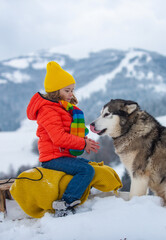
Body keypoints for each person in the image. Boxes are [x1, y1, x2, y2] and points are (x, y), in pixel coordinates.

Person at [26, 61, 100, 217]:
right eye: (67, 90)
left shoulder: (62, 107)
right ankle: (65, 204)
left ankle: (87, 197)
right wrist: (82, 143)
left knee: (91, 166)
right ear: (54, 91)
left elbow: (70, 131)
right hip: (53, 158)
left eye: (72, 90)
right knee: (86, 170)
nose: (71, 94)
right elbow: (59, 138)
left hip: (63, 155)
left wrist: (84, 141)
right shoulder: (48, 110)